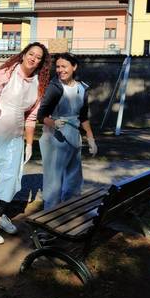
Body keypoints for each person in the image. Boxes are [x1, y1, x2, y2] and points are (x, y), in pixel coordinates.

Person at [0, 43, 51, 244]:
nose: (33, 58)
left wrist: (29, 143)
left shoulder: (38, 84)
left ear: (42, 62)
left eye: (38, 57)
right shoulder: (7, 72)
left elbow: (32, 117)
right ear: (24, 54)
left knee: (8, 179)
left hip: (14, 137)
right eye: (31, 54)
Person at [37, 53, 97, 210]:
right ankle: (49, 217)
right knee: (53, 181)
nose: (60, 70)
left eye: (64, 66)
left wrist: (90, 138)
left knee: (73, 178)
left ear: (74, 67)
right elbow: (41, 116)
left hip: (73, 137)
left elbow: (83, 117)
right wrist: (54, 122)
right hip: (54, 139)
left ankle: (69, 212)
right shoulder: (55, 87)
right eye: (57, 67)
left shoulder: (82, 89)